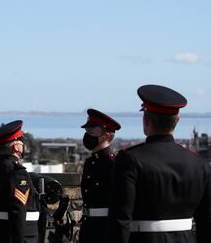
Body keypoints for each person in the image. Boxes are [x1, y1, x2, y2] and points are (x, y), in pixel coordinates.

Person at [107, 84, 211, 243]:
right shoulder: (199, 163)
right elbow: (206, 221)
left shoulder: (129, 160)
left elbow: (120, 220)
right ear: (176, 120)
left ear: (146, 120)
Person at [0, 120, 40, 243]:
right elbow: (17, 211)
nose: (23, 145)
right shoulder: (17, 173)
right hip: (19, 235)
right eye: (21, 142)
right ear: (16, 146)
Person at [79, 109, 121, 243]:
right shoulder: (90, 162)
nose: (87, 135)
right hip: (88, 226)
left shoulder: (113, 163)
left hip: (105, 228)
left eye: (91, 131)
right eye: (86, 132)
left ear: (106, 135)